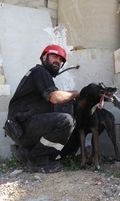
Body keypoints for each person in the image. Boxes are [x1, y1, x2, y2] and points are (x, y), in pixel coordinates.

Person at [5, 44, 79, 173]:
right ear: (44, 57)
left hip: (20, 128)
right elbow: (55, 97)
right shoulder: (40, 71)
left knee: (68, 122)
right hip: (24, 126)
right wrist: (78, 93)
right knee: (66, 121)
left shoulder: (39, 74)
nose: (58, 61)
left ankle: (27, 153)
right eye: (54, 56)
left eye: (61, 60)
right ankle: (38, 161)